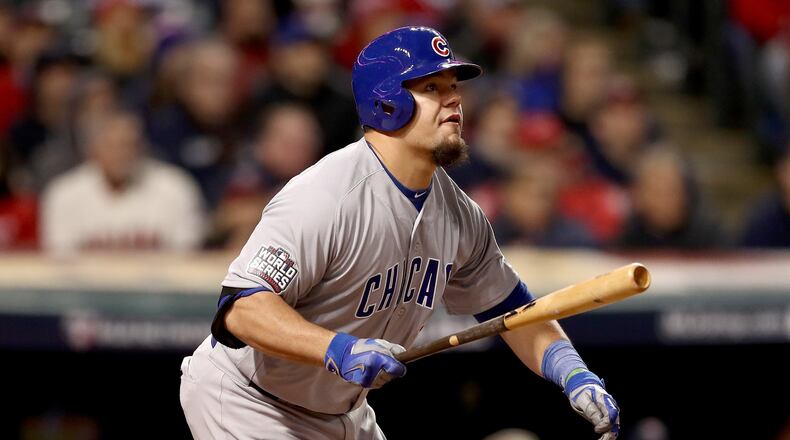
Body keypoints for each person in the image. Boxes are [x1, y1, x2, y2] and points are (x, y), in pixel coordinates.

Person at [179, 27, 620, 440]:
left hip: (343, 413)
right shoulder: (327, 194)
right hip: (247, 400)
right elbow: (242, 308)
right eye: (432, 89)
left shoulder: (460, 215)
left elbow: (512, 311)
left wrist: (571, 371)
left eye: (454, 89)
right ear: (387, 102)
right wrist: (339, 348)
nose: (455, 103)